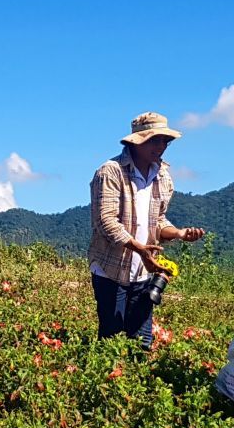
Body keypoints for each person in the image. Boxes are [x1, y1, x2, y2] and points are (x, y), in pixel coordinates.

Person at [88, 112, 205, 347]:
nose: (161, 146)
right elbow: (106, 222)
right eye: (155, 140)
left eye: (165, 141)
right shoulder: (111, 172)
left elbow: (158, 221)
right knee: (112, 339)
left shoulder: (162, 177)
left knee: (141, 342)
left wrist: (179, 233)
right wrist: (140, 249)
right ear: (137, 141)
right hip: (112, 269)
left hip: (143, 271)